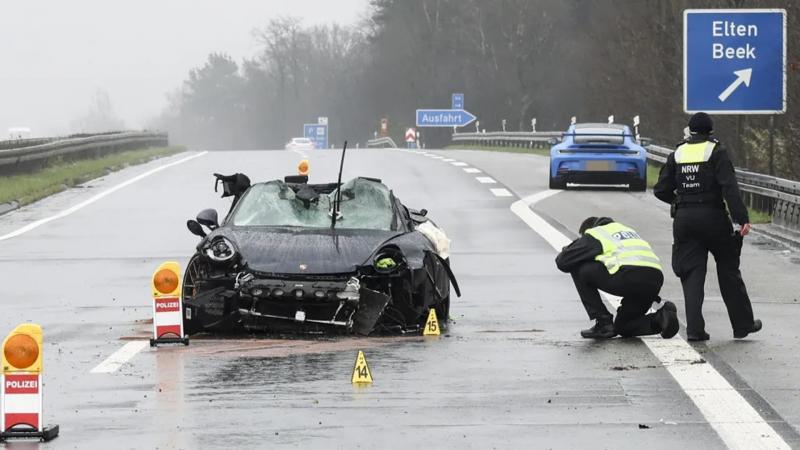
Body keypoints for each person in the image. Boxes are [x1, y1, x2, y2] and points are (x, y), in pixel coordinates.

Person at [653, 112, 762, 341]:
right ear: (710, 131)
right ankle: (742, 325)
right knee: (728, 269)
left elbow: (660, 189)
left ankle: (695, 330)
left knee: (692, 275)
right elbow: (729, 188)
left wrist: (679, 201)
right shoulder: (716, 151)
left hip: (684, 220)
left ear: (690, 131)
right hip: (713, 218)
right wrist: (741, 219)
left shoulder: (678, 152)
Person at [556, 216, 679, 339]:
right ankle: (661, 318)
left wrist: (573, 249)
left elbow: (563, 261)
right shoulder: (627, 231)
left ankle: (603, 323)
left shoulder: (596, 233)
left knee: (578, 267)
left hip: (628, 276)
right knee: (624, 326)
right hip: (654, 280)